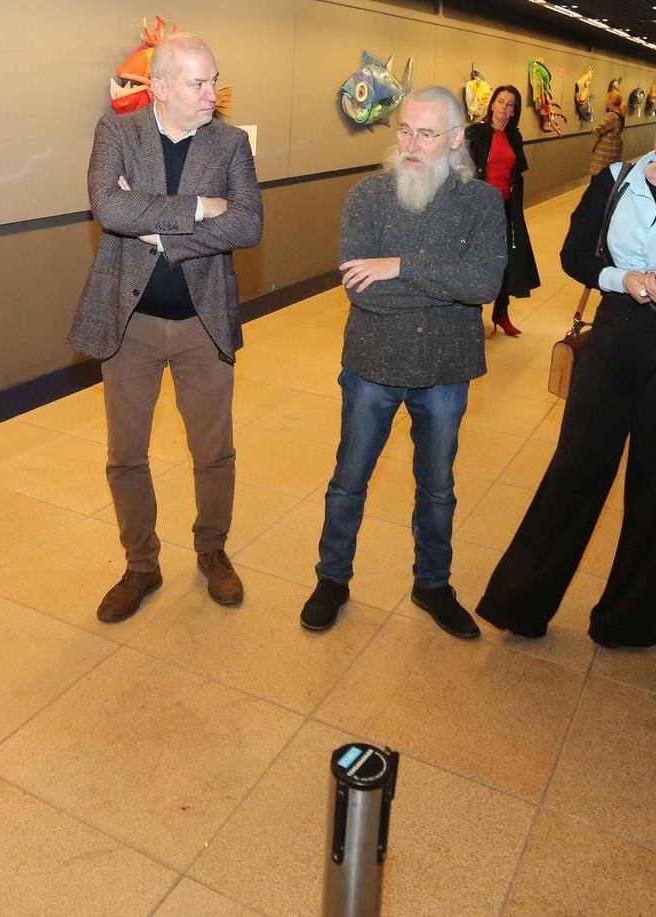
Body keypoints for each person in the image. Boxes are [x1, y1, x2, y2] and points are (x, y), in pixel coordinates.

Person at [476, 69, 656, 647]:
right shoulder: (615, 181)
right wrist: (620, 276)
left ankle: (626, 620)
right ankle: (522, 601)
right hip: (611, 340)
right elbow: (574, 254)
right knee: (574, 471)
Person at [68, 33, 263, 623]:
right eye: (198, 83)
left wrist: (155, 231)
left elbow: (249, 224)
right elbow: (109, 209)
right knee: (125, 454)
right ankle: (140, 565)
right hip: (130, 325)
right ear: (159, 87)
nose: (212, 94)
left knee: (214, 451)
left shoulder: (230, 143)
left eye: (213, 81)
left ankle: (213, 552)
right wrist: (203, 208)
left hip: (204, 325)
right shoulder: (117, 133)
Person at [300, 86, 507, 639]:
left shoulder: (482, 203)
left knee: (437, 486)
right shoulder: (367, 197)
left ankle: (433, 584)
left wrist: (399, 264)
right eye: (405, 131)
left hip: (445, 368)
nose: (413, 145)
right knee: (349, 479)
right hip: (372, 363)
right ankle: (332, 579)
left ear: (457, 139)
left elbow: (484, 284)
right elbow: (362, 291)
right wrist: (436, 279)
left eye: (428, 134)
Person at [465, 84, 540, 337]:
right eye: (500, 102)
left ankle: (501, 311)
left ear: (513, 111)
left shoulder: (514, 137)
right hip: (478, 210)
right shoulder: (476, 133)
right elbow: (464, 170)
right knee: (476, 261)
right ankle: (472, 314)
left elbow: (515, 175)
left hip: (505, 208)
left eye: (510, 105)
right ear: (492, 104)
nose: (504, 108)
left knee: (507, 260)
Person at [589, 88, 626, 173]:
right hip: (614, 148)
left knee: (598, 176)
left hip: (606, 151)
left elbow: (599, 129)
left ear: (610, 101)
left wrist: (594, 128)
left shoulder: (611, 115)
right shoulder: (620, 115)